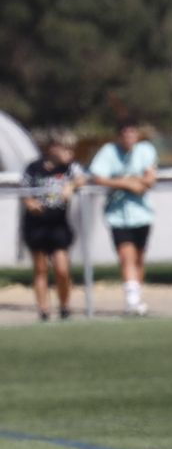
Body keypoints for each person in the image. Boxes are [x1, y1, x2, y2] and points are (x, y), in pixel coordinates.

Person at [88, 120, 158, 316]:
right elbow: (98, 177)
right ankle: (131, 302)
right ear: (119, 136)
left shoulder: (145, 150)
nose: (129, 138)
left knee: (139, 258)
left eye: (132, 134)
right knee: (126, 256)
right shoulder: (108, 152)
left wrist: (137, 182)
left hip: (142, 214)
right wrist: (127, 184)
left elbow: (149, 179)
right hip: (118, 214)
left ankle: (137, 298)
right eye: (125, 134)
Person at [20, 129, 86, 322]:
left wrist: (71, 186)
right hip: (37, 225)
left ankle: (65, 306)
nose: (69, 154)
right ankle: (43, 310)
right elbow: (25, 191)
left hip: (58, 224)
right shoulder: (34, 168)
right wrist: (30, 203)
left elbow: (83, 177)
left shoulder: (70, 168)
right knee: (40, 269)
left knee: (62, 269)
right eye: (65, 149)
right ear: (52, 149)